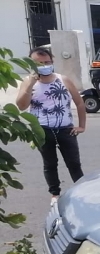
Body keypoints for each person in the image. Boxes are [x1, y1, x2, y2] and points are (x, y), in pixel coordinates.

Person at [15, 46, 86, 205]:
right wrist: (29, 86)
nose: (44, 65)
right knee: (50, 163)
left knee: (74, 163)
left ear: (52, 61)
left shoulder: (63, 80)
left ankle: (82, 191)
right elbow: (21, 106)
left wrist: (81, 126)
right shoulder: (28, 82)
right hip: (42, 131)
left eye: (47, 62)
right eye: (39, 63)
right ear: (31, 65)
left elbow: (80, 103)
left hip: (66, 129)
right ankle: (55, 194)